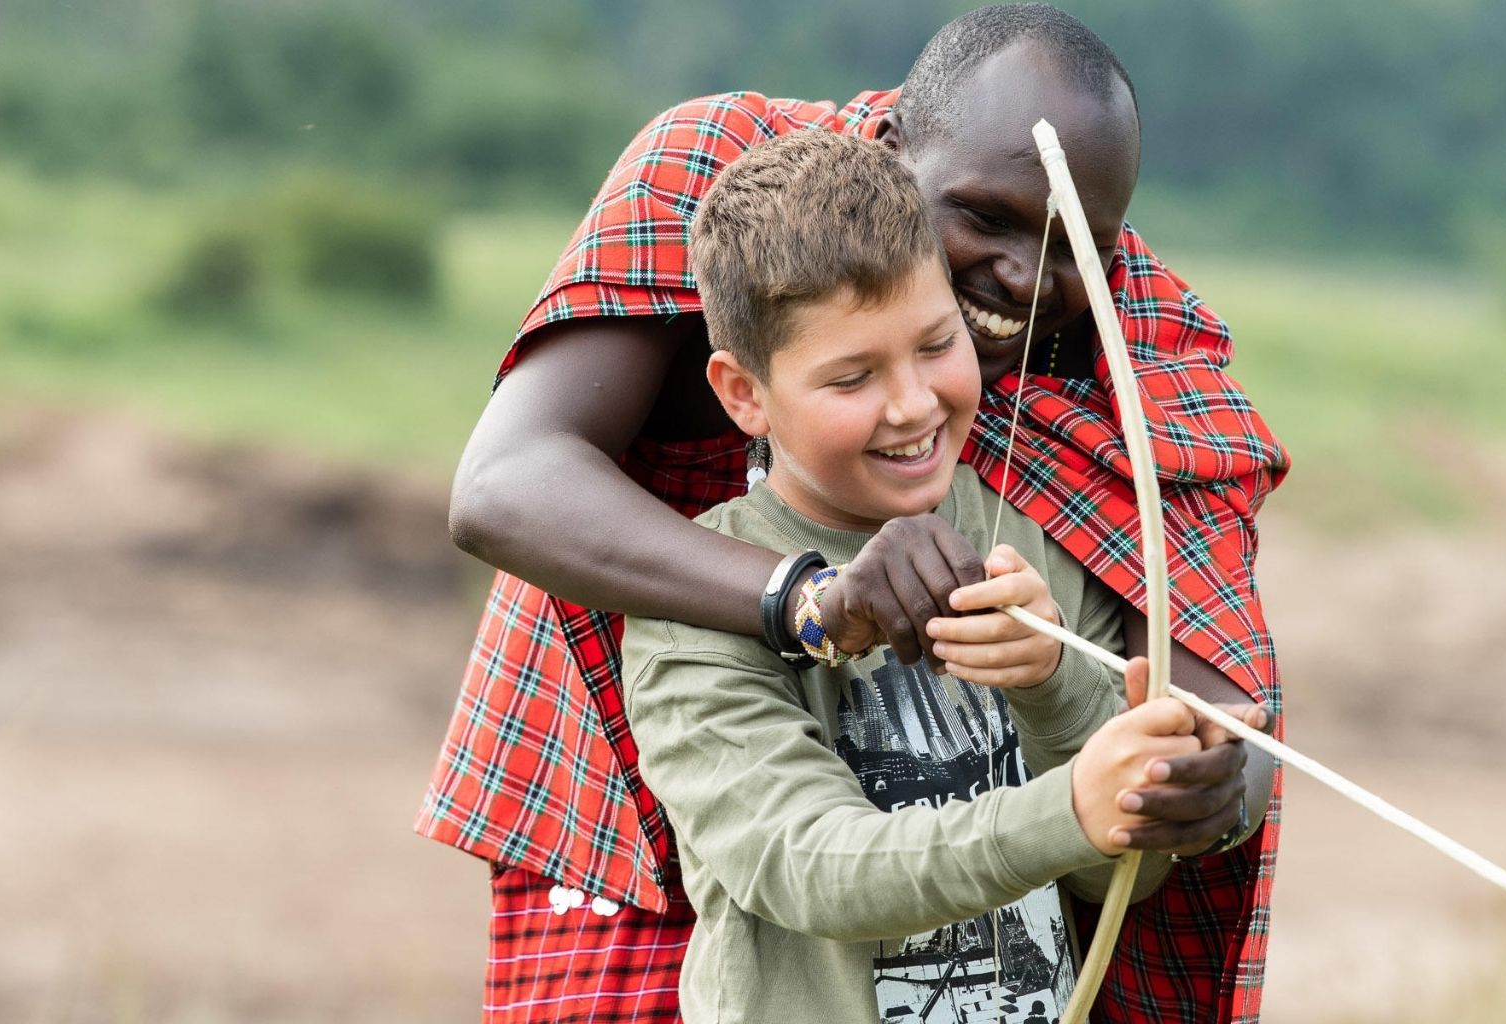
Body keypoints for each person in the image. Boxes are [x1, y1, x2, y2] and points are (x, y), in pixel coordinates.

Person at [420, 5, 1289, 1022]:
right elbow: (504, 485)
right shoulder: (722, 182)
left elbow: (1201, 718)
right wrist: (813, 601)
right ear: (890, 156)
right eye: (983, 217)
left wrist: (1193, 775)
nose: (1022, 275)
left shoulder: (1125, 348)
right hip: (650, 769)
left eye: (1075, 244)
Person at [624, 126, 1269, 1024]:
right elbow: (805, 864)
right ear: (743, 394)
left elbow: (1117, 869)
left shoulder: (1035, 535)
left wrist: (1054, 687)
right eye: (850, 377)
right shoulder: (693, 602)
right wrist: (1071, 808)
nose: (915, 404)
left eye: (936, 344)